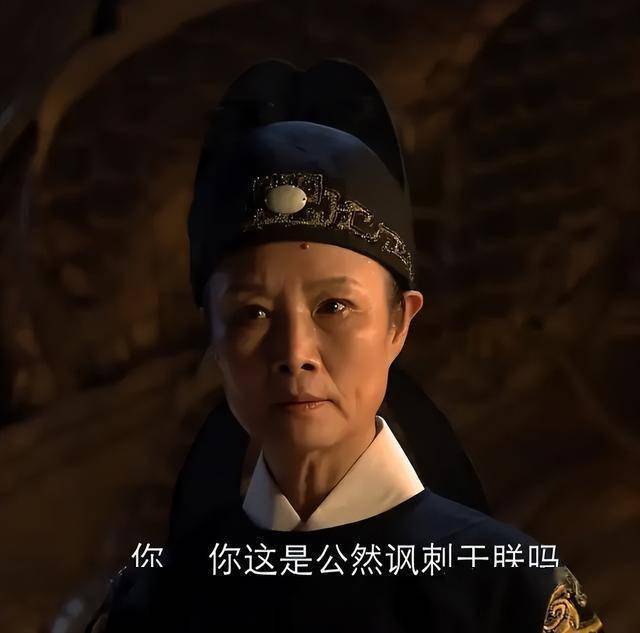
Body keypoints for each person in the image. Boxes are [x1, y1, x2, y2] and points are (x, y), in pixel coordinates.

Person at [85, 59, 604, 633]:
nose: (295, 353)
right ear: (214, 337)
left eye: (334, 307)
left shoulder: (512, 595)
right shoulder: (153, 602)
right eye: (252, 313)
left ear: (399, 323)